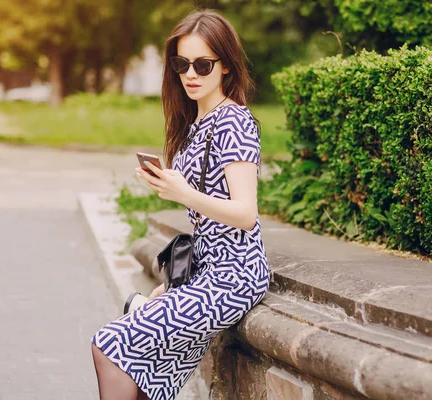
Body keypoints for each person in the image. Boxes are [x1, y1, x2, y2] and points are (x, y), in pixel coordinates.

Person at [91, 9, 270, 400]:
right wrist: (176, 285)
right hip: (206, 273)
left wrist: (182, 193)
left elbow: (244, 214)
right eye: (181, 63)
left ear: (226, 67)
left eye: (203, 65)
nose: (190, 74)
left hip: (235, 275)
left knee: (110, 345)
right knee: (137, 369)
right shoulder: (195, 124)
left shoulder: (233, 122)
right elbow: (207, 224)